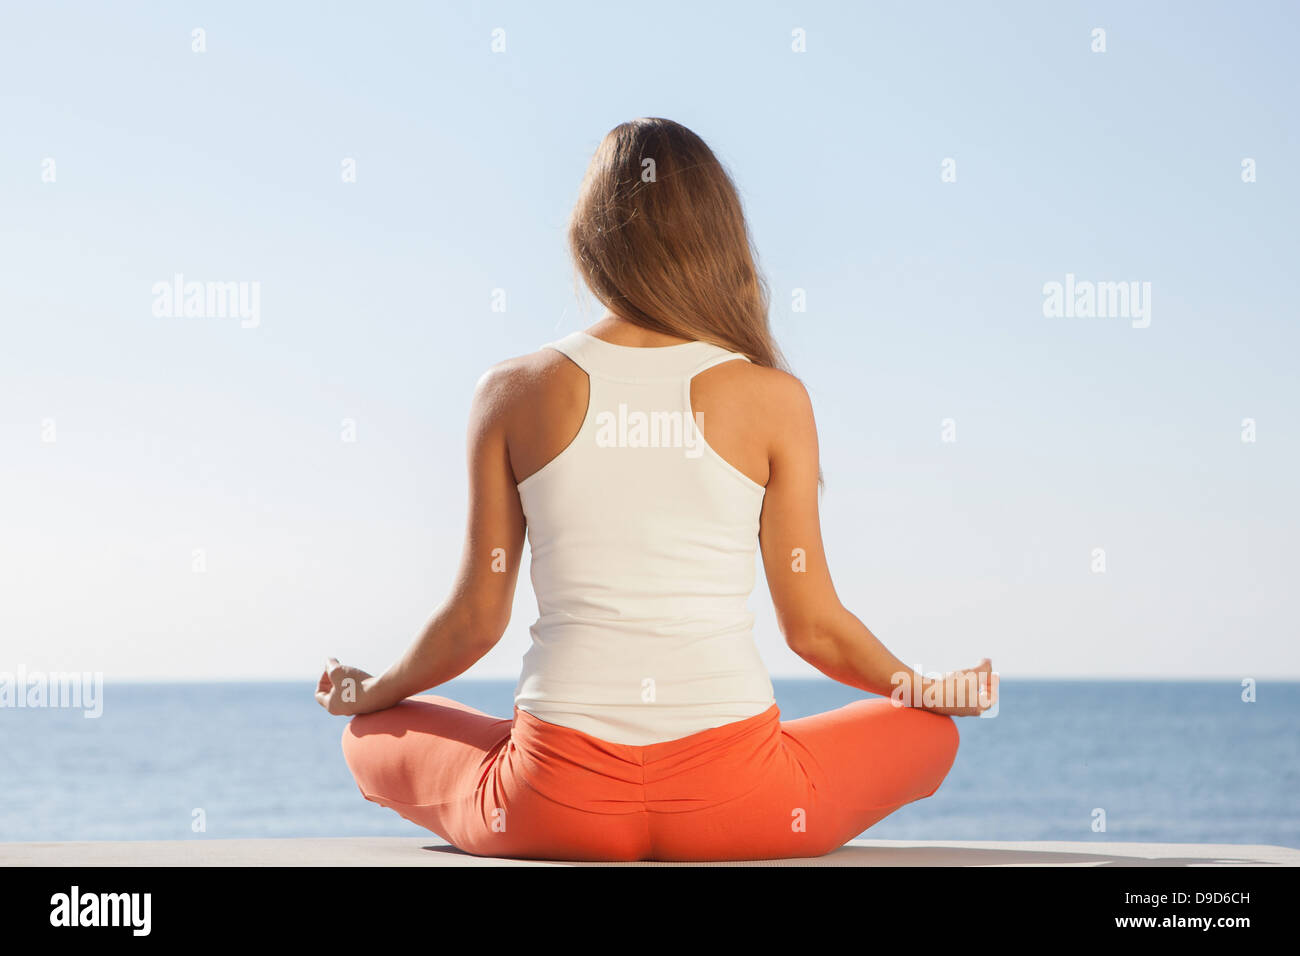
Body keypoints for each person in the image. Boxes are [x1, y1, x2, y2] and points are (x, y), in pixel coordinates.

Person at [315, 117, 997, 862]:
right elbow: (814, 628)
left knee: (369, 734)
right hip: (741, 801)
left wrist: (373, 691)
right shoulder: (773, 398)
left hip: (550, 803)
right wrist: (926, 686)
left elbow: (475, 622)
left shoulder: (510, 392)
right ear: (718, 239)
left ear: (591, 238)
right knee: (929, 729)